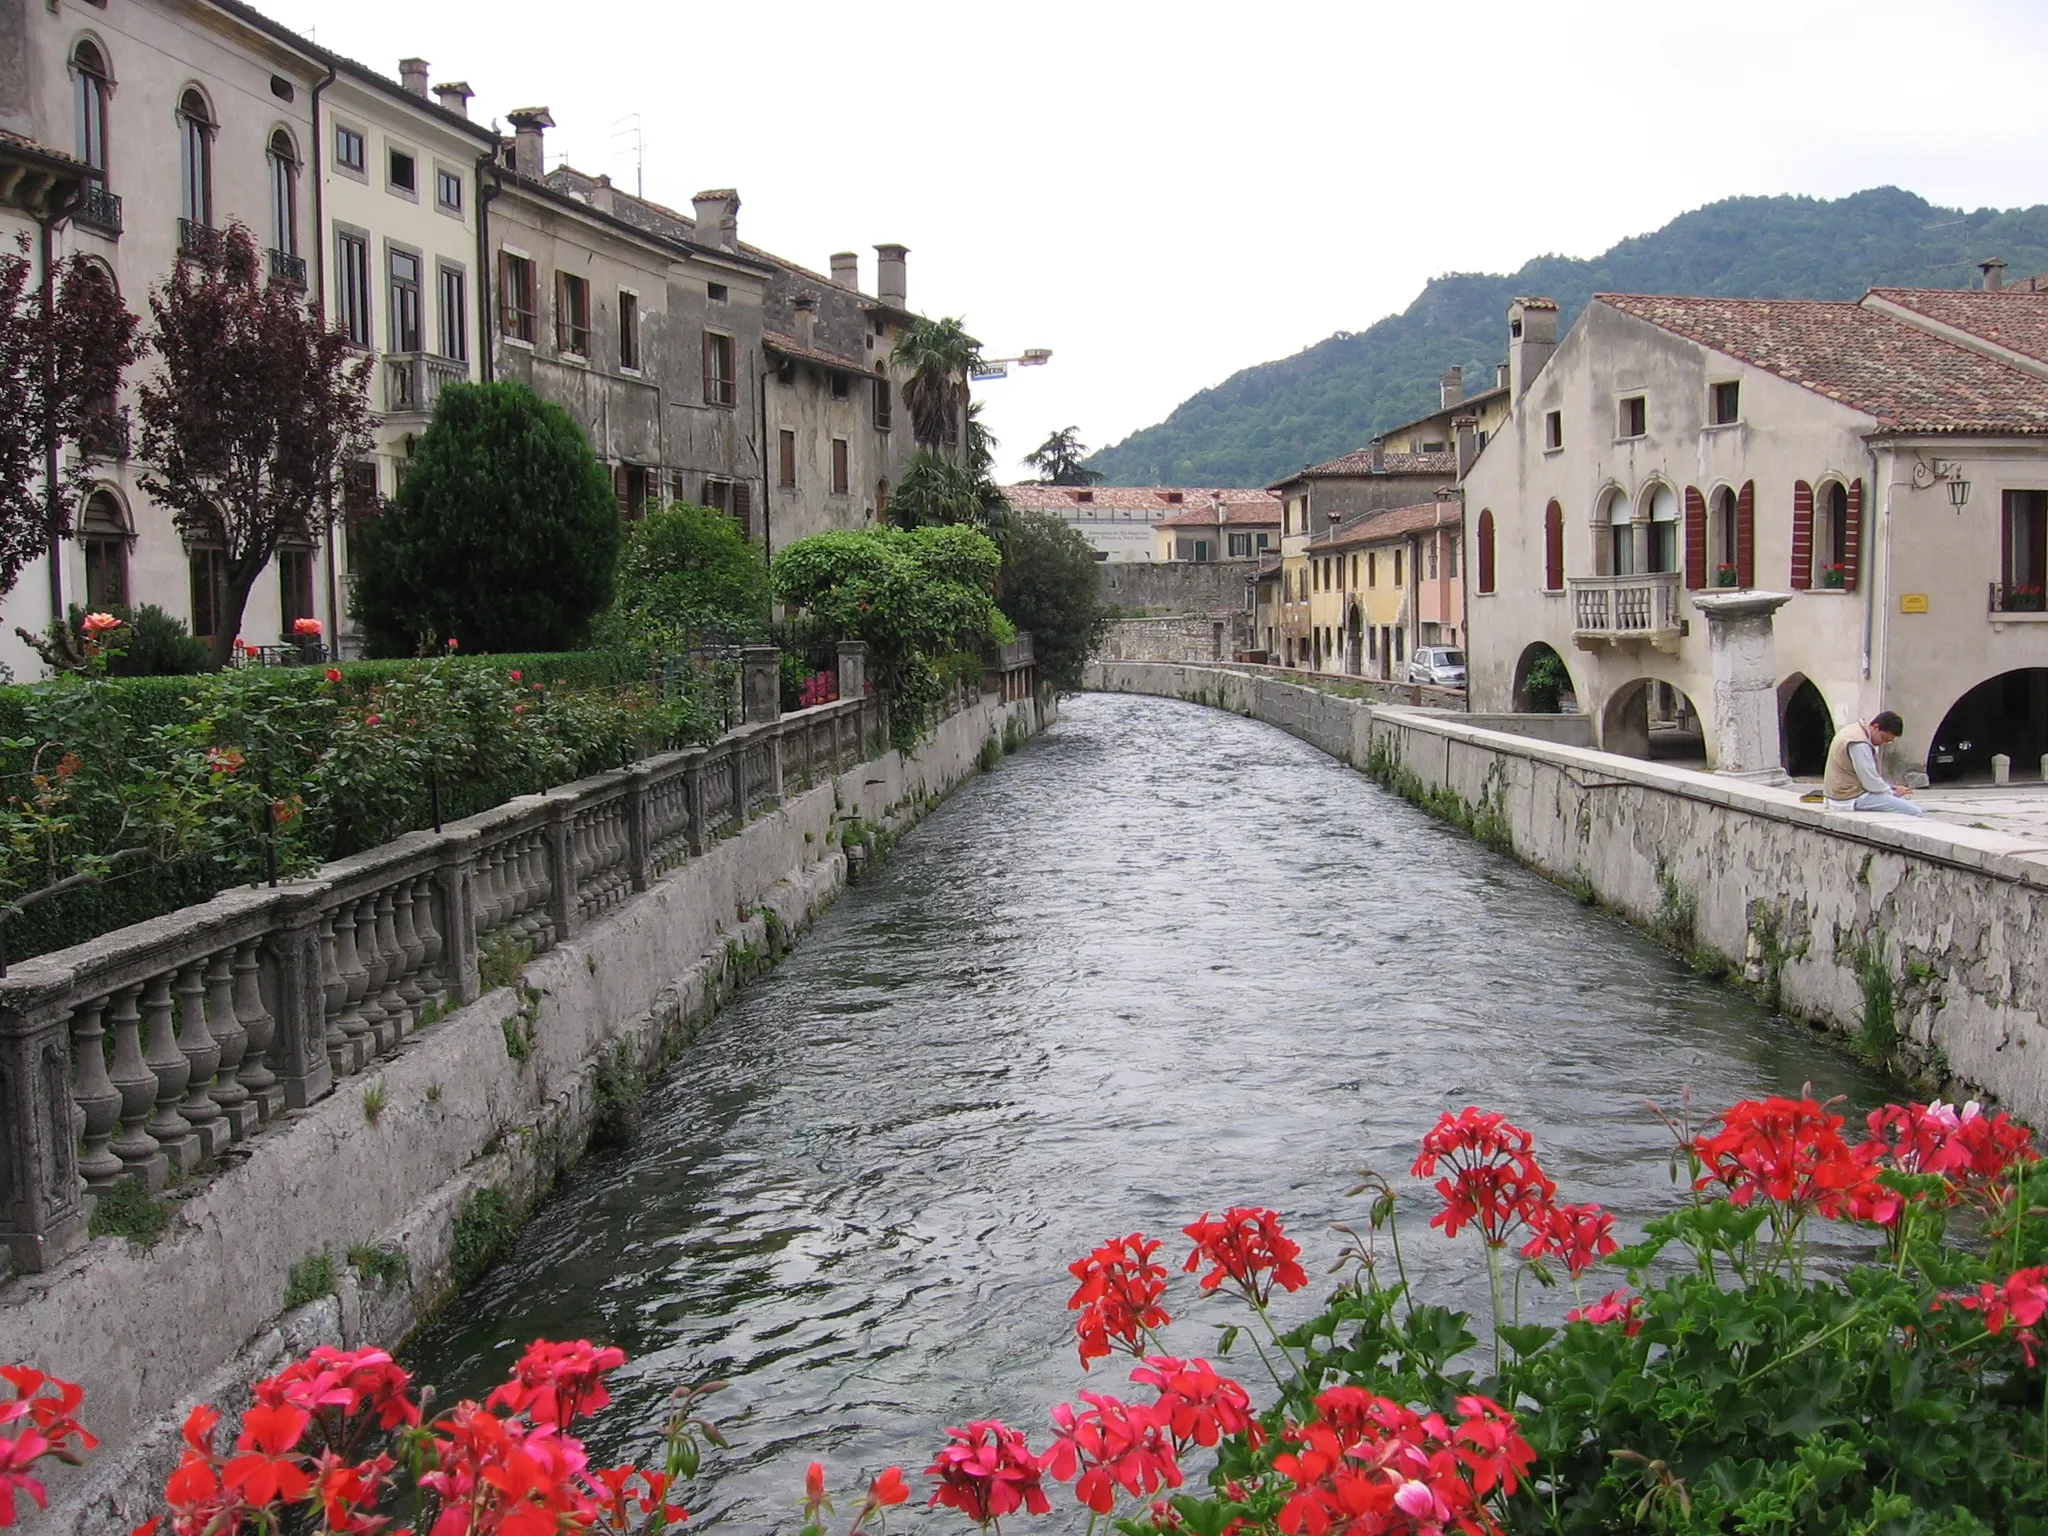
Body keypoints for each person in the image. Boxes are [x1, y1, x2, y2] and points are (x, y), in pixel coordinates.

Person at [1822, 711, 1925, 816]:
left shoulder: (1854, 730)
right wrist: (1893, 793)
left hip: (1839, 796)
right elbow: (1869, 780)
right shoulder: (1860, 744)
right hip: (1849, 798)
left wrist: (1891, 787)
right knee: (1916, 812)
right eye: (1884, 738)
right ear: (1876, 727)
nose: (1883, 744)